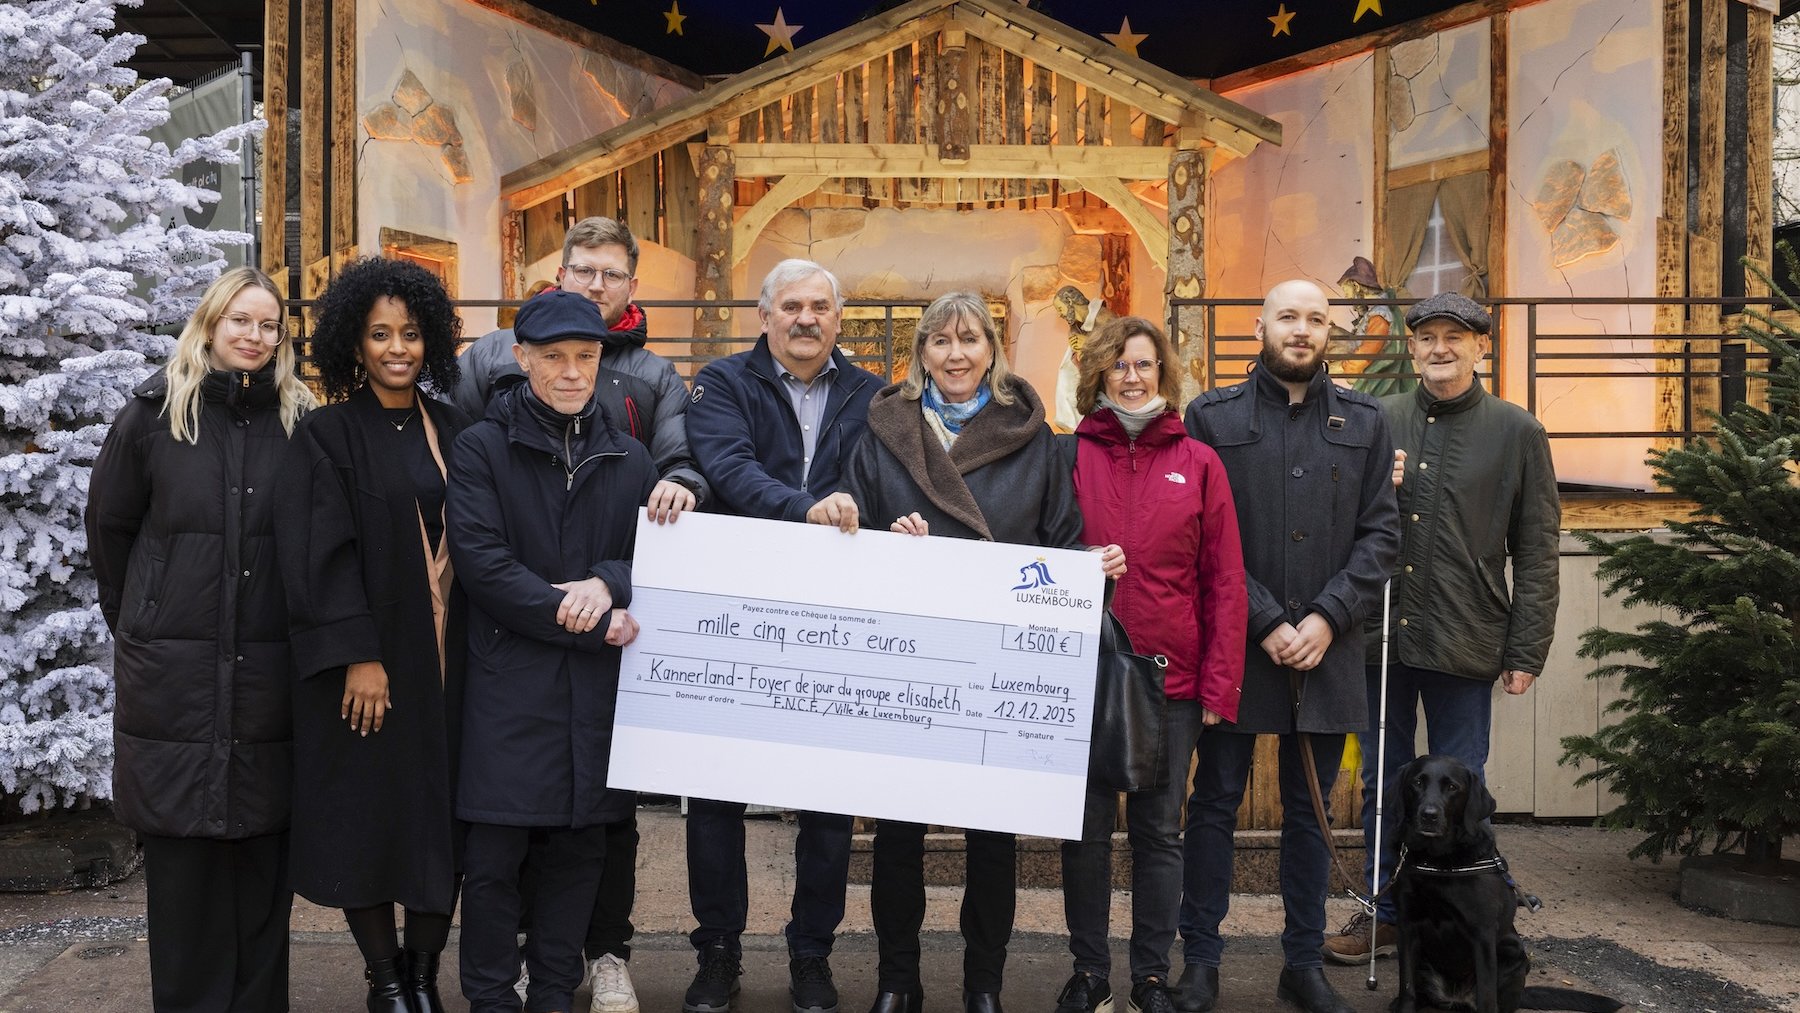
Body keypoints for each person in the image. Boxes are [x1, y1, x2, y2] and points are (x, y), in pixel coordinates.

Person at [825, 291, 1124, 1013]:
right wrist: (883, 544)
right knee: (897, 834)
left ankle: (983, 982)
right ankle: (899, 977)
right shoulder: (881, 434)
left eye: (970, 339)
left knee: (992, 838)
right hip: (910, 661)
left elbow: (1058, 538)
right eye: (940, 341)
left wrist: (1087, 575)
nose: (955, 354)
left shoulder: (1037, 437)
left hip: (1000, 666)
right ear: (920, 353)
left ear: (993, 349)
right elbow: (847, 539)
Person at [459, 217, 700, 1013]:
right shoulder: (483, 449)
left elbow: (651, 558)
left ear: (604, 362)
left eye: (586, 358)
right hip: (508, 688)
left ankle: (555, 994)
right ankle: (494, 997)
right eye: (555, 357)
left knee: (575, 859)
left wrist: (608, 577)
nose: (571, 372)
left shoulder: (629, 457)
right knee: (494, 866)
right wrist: (583, 608)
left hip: (593, 697)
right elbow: (485, 565)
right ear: (522, 358)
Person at [86, 266, 317, 1011]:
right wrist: (143, 620)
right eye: (240, 320)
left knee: (260, 879)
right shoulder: (155, 415)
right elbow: (110, 526)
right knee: (185, 883)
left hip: (268, 677)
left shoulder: (299, 423)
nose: (254, 336)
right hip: (174, 682)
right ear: (211, 324)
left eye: (268, 324)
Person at [1178, 279, 1399, 1013]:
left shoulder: (1367, 420)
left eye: (1314, 319)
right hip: (1239, 649)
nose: (1301, 330)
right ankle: (1201, 960)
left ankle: (1301, 962)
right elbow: (1202, 533)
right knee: (1214, 802)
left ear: (1328, 330)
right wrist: (1265, 618)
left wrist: (1330, 616)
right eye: (1287, 317)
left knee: (1313, 811)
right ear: (1259, 324)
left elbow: (1382, 535)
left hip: (1329, 652)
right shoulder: (1211, 417)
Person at [1321, 291, 1560, 965]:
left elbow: (1537, 546)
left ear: (1482, 345)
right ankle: (1384, 911)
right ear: (1412, 346)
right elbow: (1338, 514)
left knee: (1461, 788)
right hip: (1379, 637)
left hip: (1467, 637)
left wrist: (1526, 645)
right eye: (1427, 336)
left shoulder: (1518, 432)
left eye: (1456, 336)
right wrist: (1375, 486)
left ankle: (1456, 915)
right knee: (1385, 783)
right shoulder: (1375, 419)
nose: (1440, 348)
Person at [683, 259, 883, 1013]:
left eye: (820, 306)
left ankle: (812, 952)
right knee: (716, 786)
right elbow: (726, 467)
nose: (806, 318)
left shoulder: (872, 392)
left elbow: (883, 474)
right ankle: (717, 949)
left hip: (836, 613)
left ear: (839, 318)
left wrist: (866, 511)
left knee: (828, 792)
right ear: (764, 315)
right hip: (739, 607)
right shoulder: (722, 383)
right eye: (791, 305)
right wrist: (806, 509)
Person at [274, 258, 470, 1012]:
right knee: (368, 815)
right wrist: (359, 654)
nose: (397, 348)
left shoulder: (456, 429)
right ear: (353, 345)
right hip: (371, 663)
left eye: (411, 333)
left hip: (450, 661)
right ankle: (384, 978)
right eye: (380, 334)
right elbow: (318, 551)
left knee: (440, 818)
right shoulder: (328, 434)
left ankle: (423, 974)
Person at [1054, 317, 1248, 1013]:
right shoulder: (1067, 456)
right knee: (1086, 831)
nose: (1131, 377)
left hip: (1171, 680)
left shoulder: (1199, 463)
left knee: (1160, 833)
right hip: (1085, 673)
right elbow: (1034, 553)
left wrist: (1219, 684)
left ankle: (1149, 977)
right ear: (1098, 375)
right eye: (1117, 366)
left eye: (1143, 364)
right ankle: (1090, 973)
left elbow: (1225, 579)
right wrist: (1077, 566)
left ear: (1163, 374)